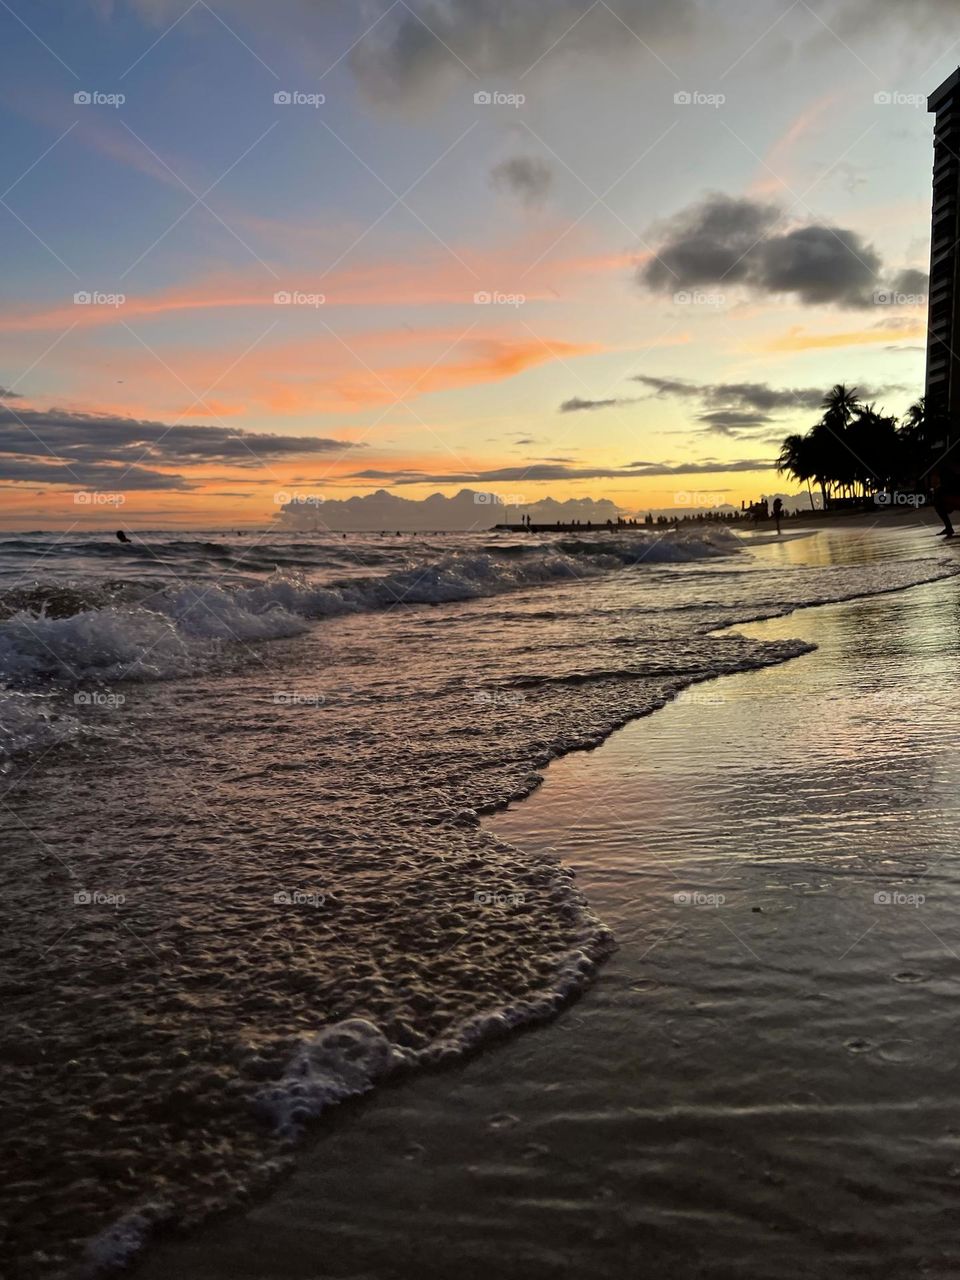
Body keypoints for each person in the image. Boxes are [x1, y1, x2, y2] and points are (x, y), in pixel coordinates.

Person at [930, 467, 958, 538]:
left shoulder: (942, 487)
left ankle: (948, 528)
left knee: (938, 504)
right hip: (952, 498)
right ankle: (948, 528)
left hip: (952, 499)